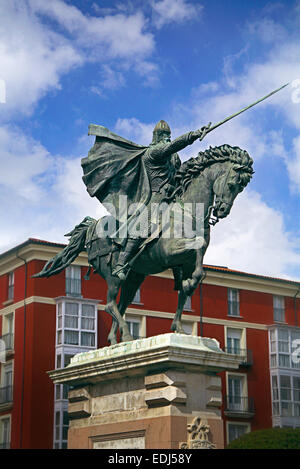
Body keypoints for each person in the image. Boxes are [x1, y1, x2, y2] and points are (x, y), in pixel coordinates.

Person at [81, 120, 211, 280]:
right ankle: (122, 262)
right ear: (156, 137)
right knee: (143, 224)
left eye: (169, 135)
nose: (167, 138)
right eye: (164, 135)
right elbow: (172, 146)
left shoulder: (174, 159)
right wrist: (194, 134)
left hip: (173, 197)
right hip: (154, 199)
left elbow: (179, 173)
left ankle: (181, 267)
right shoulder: (153, 153)